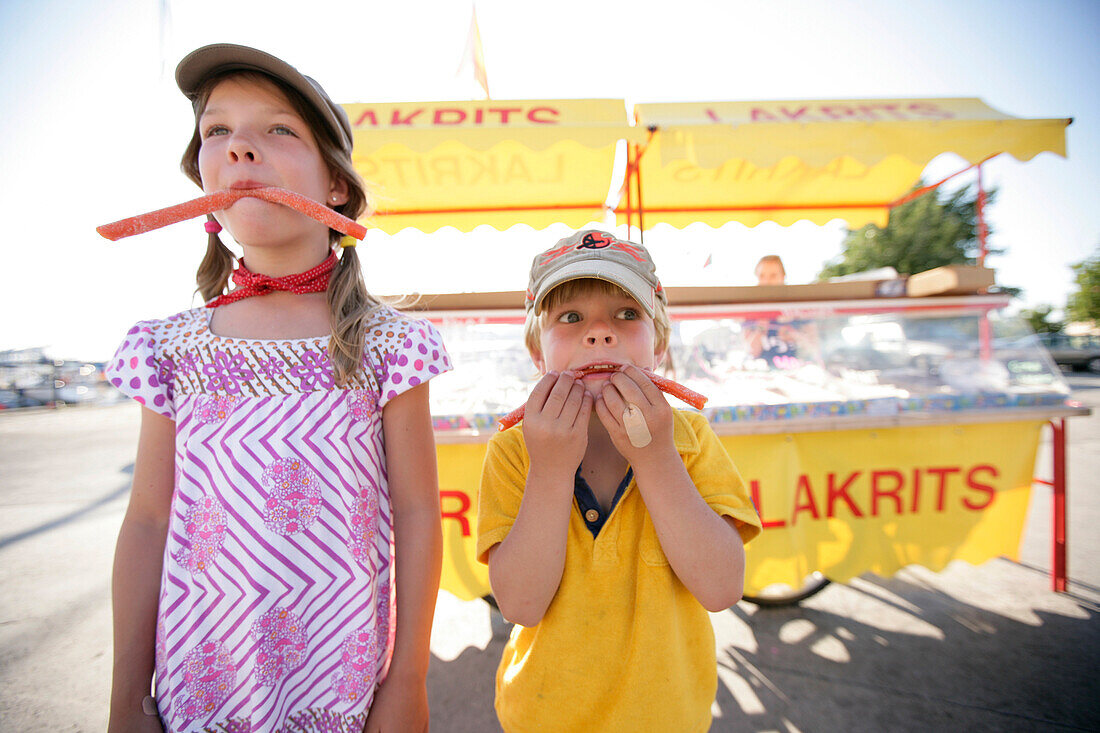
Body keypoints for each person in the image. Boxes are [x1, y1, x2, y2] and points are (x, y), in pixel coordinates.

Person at [105, 44, 450, 733]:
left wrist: (408, 677)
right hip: (198, 691)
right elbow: (146, 522)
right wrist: (125, 697)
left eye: (279, 130)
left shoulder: (389, 344)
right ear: (204, 189)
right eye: (217, 132)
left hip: (342, 690)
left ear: (337, 188)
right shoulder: (168, 347)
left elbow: (416, 513)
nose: (239, 149)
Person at [477, 229, 762, 732]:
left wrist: (655, 460)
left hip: (668, 717)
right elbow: (520, 604)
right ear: (537, 354)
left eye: (627, 314)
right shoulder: (513, 452)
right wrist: (549, 469)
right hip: (542, 716)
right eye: (571, 317)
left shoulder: (690, 437)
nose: (600, 333)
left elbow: (721, 588)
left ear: (660, 344)